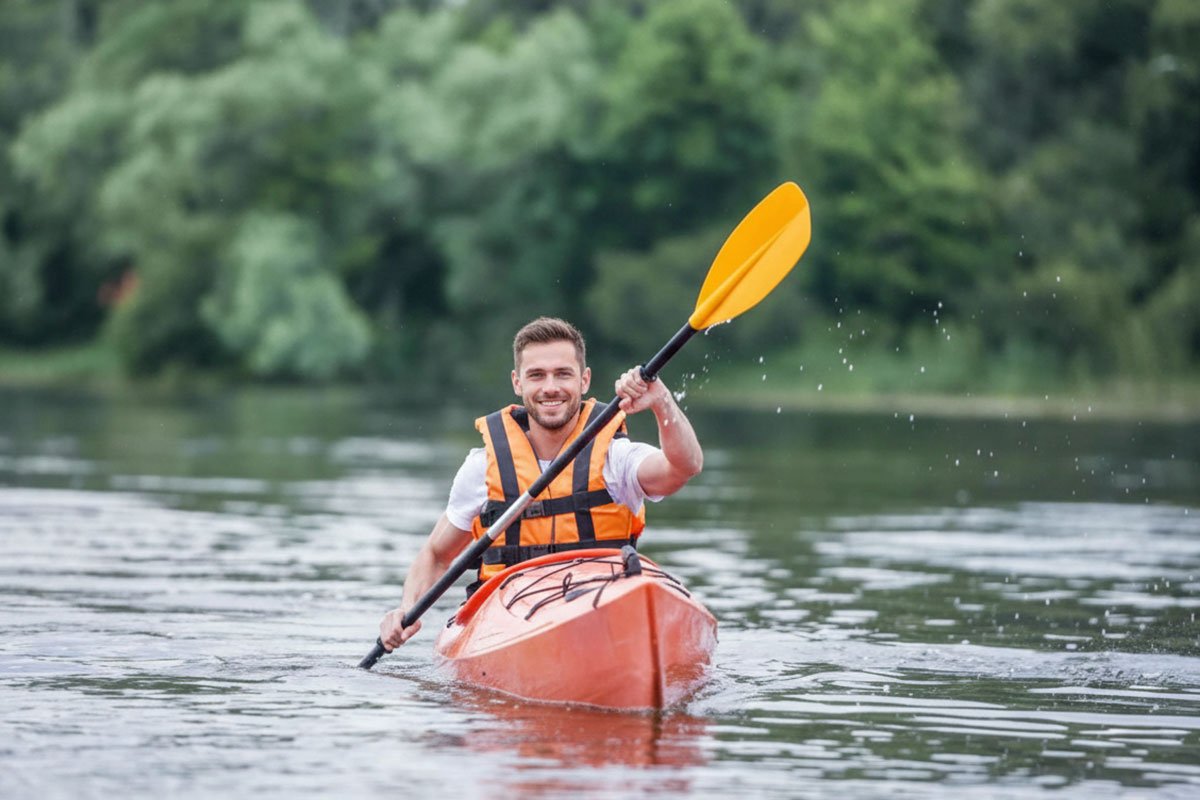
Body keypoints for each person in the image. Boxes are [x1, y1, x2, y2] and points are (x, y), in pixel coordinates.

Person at [378, 316, 703, 650]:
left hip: (604, 600)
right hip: (507, 616)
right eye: (537, 375)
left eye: (563, 374)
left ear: (584, 380)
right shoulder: (483, 467)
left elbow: (685, 467)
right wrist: (406, 609)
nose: (551, 387)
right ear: (518, 383)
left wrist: (661, 401)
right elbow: (437, 554)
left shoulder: (614, 458)